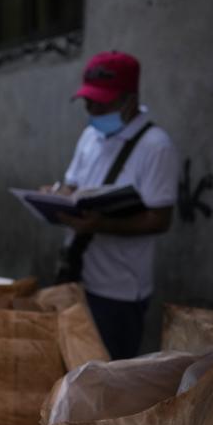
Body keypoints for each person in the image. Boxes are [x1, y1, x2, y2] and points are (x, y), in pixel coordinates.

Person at [50, 51, 180, 359]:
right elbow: (73, 184)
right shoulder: (90, 136)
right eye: (88, 101)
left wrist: (102, 224)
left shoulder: (156, 147)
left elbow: (160, 219)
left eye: (101, 102)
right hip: (77, 275)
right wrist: (56, 194)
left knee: (108, 381)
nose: (92, 109)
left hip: (118, 292)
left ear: (129, 100)